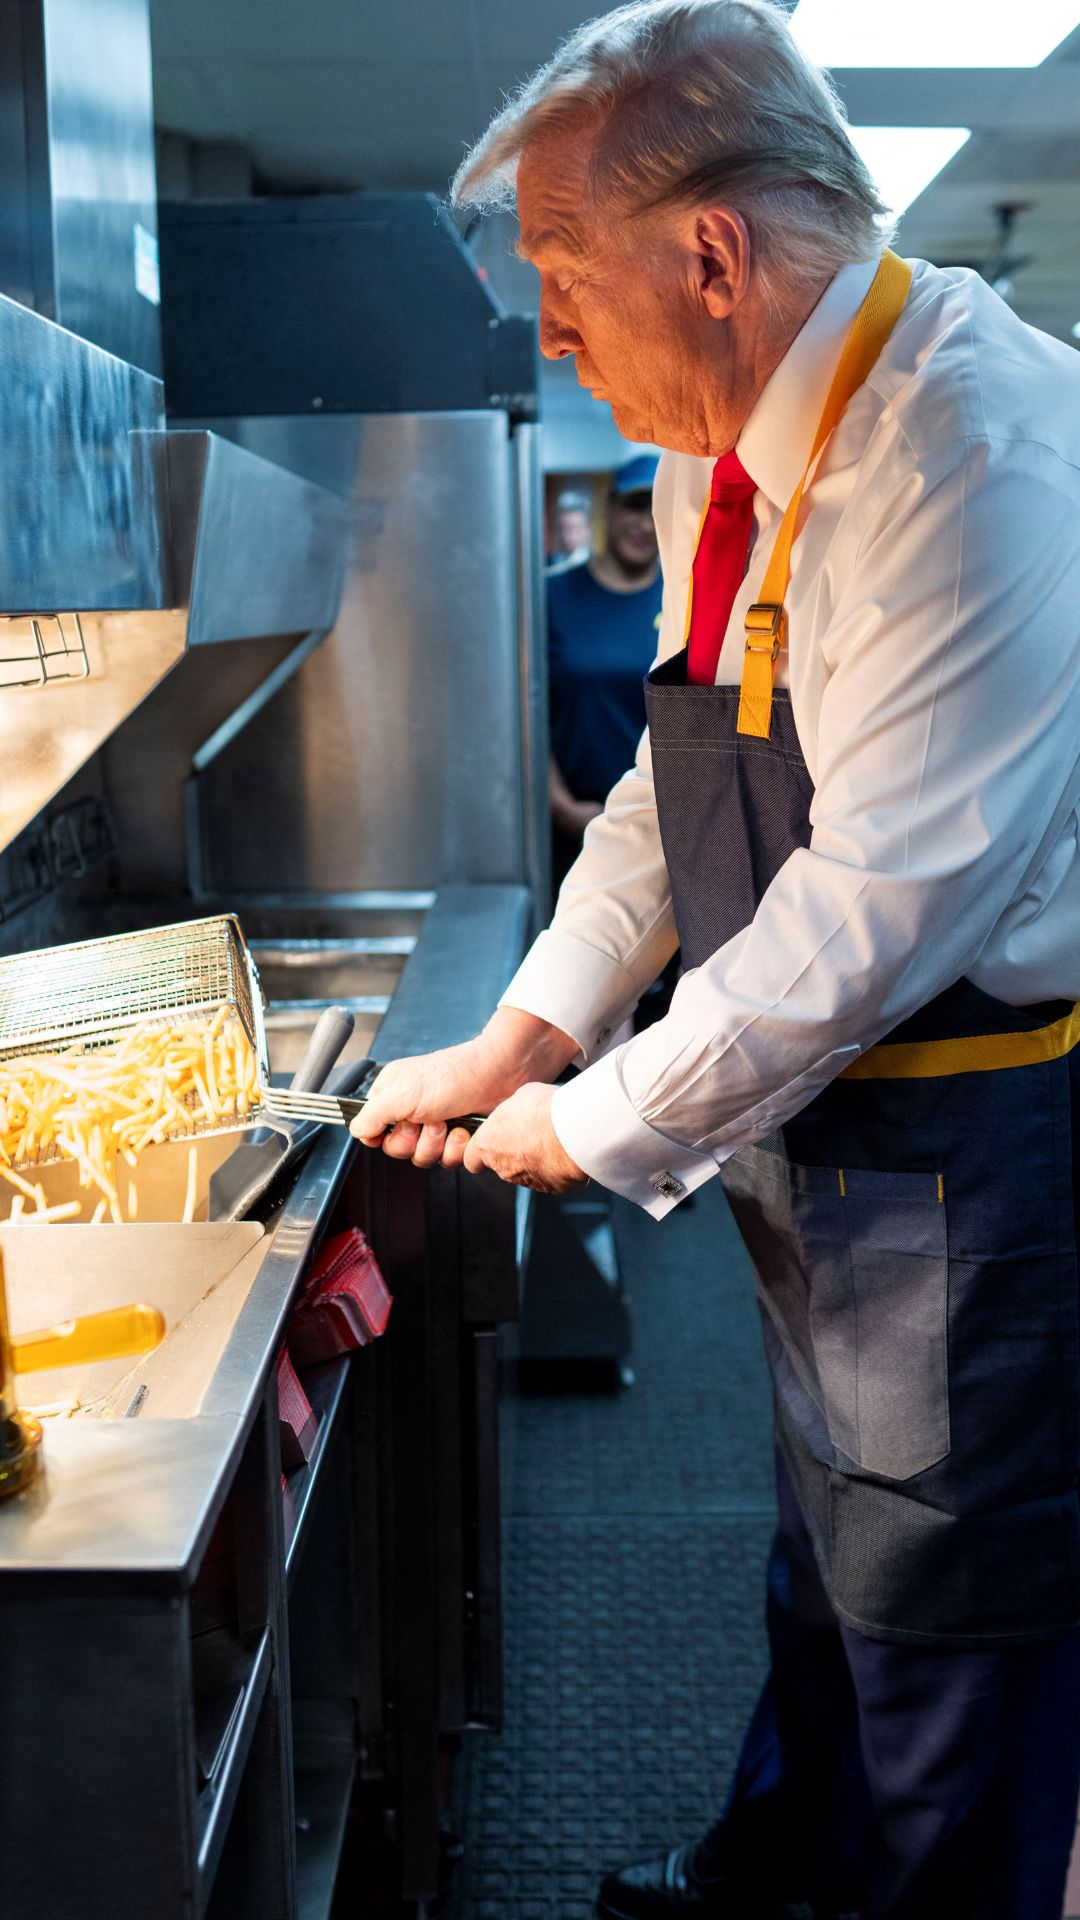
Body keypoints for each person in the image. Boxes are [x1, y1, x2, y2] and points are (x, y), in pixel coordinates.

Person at [352, 4, 1080, 1917]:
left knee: (946, 1605)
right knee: (825, 1551)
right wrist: (529, 1034)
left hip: (970, 1144)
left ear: (711, 253)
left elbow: (881, 907)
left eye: (566, 279)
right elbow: (681, 794)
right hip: (808, 1130)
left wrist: (599, 1124)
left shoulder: (973, 453)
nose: (553, 335)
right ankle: (781, 1881)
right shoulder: (717, 447)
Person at [548, 453, 662, 886]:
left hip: (663, 824)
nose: (646, 525)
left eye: (656, 510)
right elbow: (525, 710)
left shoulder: (684, 600)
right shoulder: (553, 596)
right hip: (577, 820)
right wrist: (561, 806)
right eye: (634, 506)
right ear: (608, 510)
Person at [547, 487, 593, 570]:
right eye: (563, 528)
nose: (569, 535)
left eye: (576, 528)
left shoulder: (597, 568)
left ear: (587, 530)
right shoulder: (544, 564)